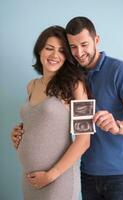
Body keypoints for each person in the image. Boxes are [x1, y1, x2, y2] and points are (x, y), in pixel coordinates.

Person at [11, 25, 91, 200]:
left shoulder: (76, 85)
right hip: (30, 179)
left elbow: (84, 140)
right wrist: (16, 135)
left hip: (58, 180)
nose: (55, 55)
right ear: (40, 51)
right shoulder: (31, 85)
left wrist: (50, 176)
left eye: (62, 51)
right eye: (49, 48)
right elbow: (37, 124)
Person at [65, 17, 123, 200]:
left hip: (121, 176)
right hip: (87, 173)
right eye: (73, 47)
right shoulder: (72, 77)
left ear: (96, 40)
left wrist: (118, 126)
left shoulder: (121, 70)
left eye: (84, 44)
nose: (79, 52)